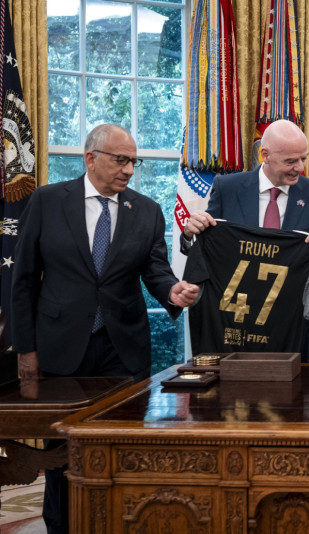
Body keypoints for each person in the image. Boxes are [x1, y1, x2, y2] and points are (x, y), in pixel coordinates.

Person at [11, 124, 199, 534]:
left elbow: (155, 270)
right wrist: (26, 350)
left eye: (134, 161)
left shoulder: (146, 211)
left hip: (123, 349)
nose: (129, 169)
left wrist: (173, 291)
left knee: (121, 446)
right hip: (61, 348)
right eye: (121, 160)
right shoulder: (47, 201)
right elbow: (22, 280)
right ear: (90, 158)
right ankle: (61, 525)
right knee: (63, 452)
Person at [181, 119, 309, 362]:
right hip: (232, 327)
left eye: (303, 158)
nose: (299, 167)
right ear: (265, 155)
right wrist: (191, 234)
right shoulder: (227, 187)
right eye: (290, 161)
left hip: (289, 329)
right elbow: (209, 242)